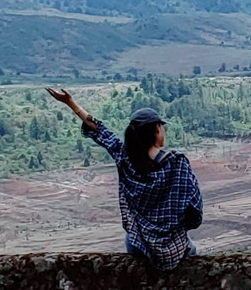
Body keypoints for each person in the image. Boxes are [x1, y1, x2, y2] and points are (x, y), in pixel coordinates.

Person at [46, 88, 203, 270]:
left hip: (137, 244)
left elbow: (100, 131)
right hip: (171, 247)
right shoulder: (177, 163)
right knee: (191, 252)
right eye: (162, 127)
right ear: (156, 130)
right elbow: (194, 208)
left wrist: (70, 103)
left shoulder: (125, 157)